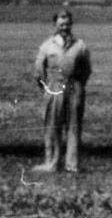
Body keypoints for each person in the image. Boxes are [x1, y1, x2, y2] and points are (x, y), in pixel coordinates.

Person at [31, 10, 92, 173]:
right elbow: (38, 70)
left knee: (74, 127)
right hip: (54, 88)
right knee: (52, 126)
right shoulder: (47, 46)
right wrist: (47, 88)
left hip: (74, 88)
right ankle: (52, 163)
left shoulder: (80, 45)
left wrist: (78, 85)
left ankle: (72, 165)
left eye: (67, 24)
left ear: (71, 25)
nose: (64, 27)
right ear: (55, 25)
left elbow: (86, 69)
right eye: (61, 24)